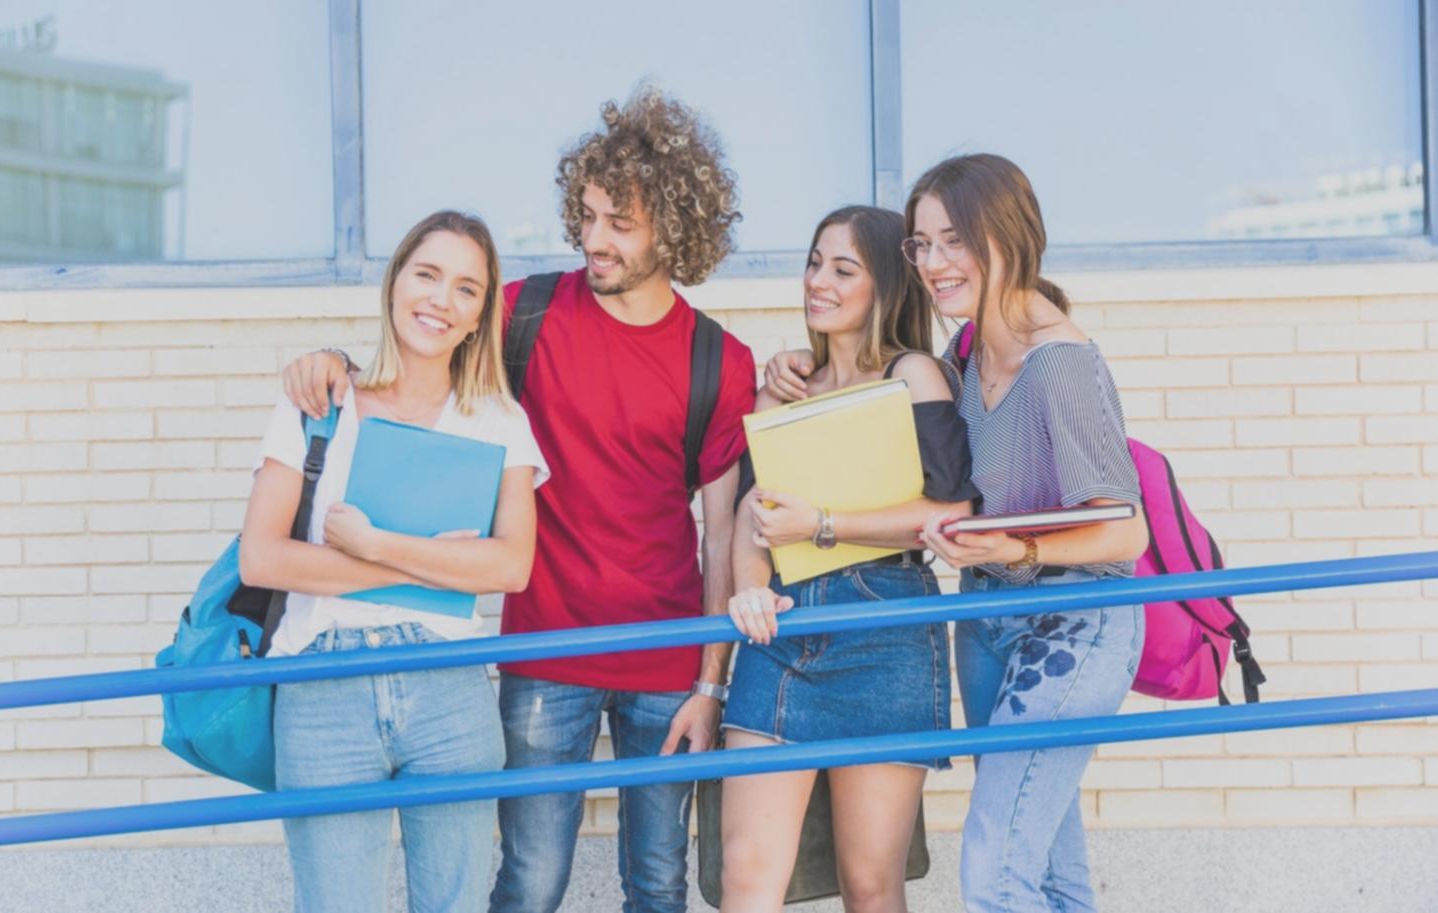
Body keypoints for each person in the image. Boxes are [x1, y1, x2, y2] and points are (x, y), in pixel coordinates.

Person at [280, 84, 757, 913]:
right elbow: (423, 346)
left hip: (668, 657)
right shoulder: (522, 314)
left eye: (621, 222)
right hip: (544, 653)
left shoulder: (720, 360)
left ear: (672, 231)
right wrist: (335, 360)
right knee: (529, 884)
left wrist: (711, 685)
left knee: (659, 884)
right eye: (589, 214)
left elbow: (722, 536)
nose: (593, 237)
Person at [766, 154, 1148, 913]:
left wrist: (1018, 549)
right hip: (986, 621)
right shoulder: (963, 354)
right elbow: (879, 408)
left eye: (953, 241)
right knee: (1046, 871)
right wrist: (795, 370)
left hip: (1072, 621)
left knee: (995, 871)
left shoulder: (1057, 362)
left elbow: (1123, 530)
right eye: (919, 244)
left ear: (1007, 237)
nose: (933, 264)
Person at [240, 210, 549, 913]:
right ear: (393, 283)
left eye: (466, 289)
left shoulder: (497, 418)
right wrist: (428, 566)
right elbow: (262, 557)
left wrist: (376, 545)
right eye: (428, 274)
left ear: (479, 317)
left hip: (448, 690)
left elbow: (510, 567)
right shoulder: (317, 403)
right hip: (323, 686)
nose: (441, 299)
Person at [720, 205, 977, 913]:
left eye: (843, 268)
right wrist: (748, 587)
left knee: (869, 884)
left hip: (886, 626)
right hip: (780, 630)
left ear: (885, 283)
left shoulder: (912, 372)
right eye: (813, 262)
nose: (818, 281)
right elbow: (752, 511)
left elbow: (951, 512)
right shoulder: (788, 385)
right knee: (746, 876)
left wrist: (825, 523)